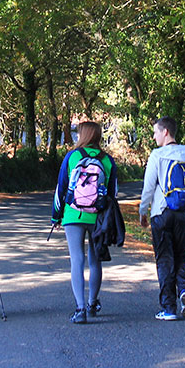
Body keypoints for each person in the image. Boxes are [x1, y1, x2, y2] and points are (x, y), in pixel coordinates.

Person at [139, 117, 185, 321]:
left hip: (162, 213)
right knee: (181, 257)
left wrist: (143, 211)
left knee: (164, 259)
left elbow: (149, 187)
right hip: (184, 214)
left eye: (156, 132)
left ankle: (169, 308)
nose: (154, 136)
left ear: (166, 132)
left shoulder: (157, 155)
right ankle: (184, 291)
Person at [51, 121, 118, 324]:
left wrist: (56, 216)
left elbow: (61, 188)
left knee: (77, 260)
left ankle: (80, 309)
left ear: (83, 135)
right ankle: (92, 303)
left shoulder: (72, 157)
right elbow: (113, 193)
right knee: (95, 260)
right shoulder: (107, 160)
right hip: (98, 217)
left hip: (73, 215)